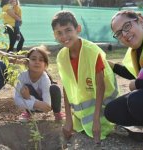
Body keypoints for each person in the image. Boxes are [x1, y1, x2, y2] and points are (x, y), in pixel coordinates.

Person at [51, 10, 119, 144]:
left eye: (68, 30)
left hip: (105, 109)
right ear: (54, 35)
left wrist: (96, 121)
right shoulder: (61, 56)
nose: (64, 36)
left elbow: (101, 86)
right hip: (82, 116)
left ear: (78, 29)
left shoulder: (92, 52)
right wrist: (68, 120)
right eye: (59, 33)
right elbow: (67, 87)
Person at [104, 10, 143, 150]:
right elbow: (133, 72)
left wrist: (137, 84)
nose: (125, 34)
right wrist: (110, 65)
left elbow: (138, 81)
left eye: (127, 26)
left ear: (140, 20)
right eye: (119, 33)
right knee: (112, 110)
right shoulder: (136, 48)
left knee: (137, 99)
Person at [14, 45, 65, 122]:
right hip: (34, 105)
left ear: (45, 65)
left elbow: (47, 107)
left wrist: (28, 98)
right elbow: (17, 100)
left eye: (41, 60)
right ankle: (29, 113)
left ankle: (57, 113)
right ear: (27, 63)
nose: (37, 62)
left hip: (47, 106)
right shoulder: (22, 76)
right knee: (26, 87)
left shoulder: (45, 78)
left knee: (55, 88)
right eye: (33, 59)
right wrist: (34, 103)